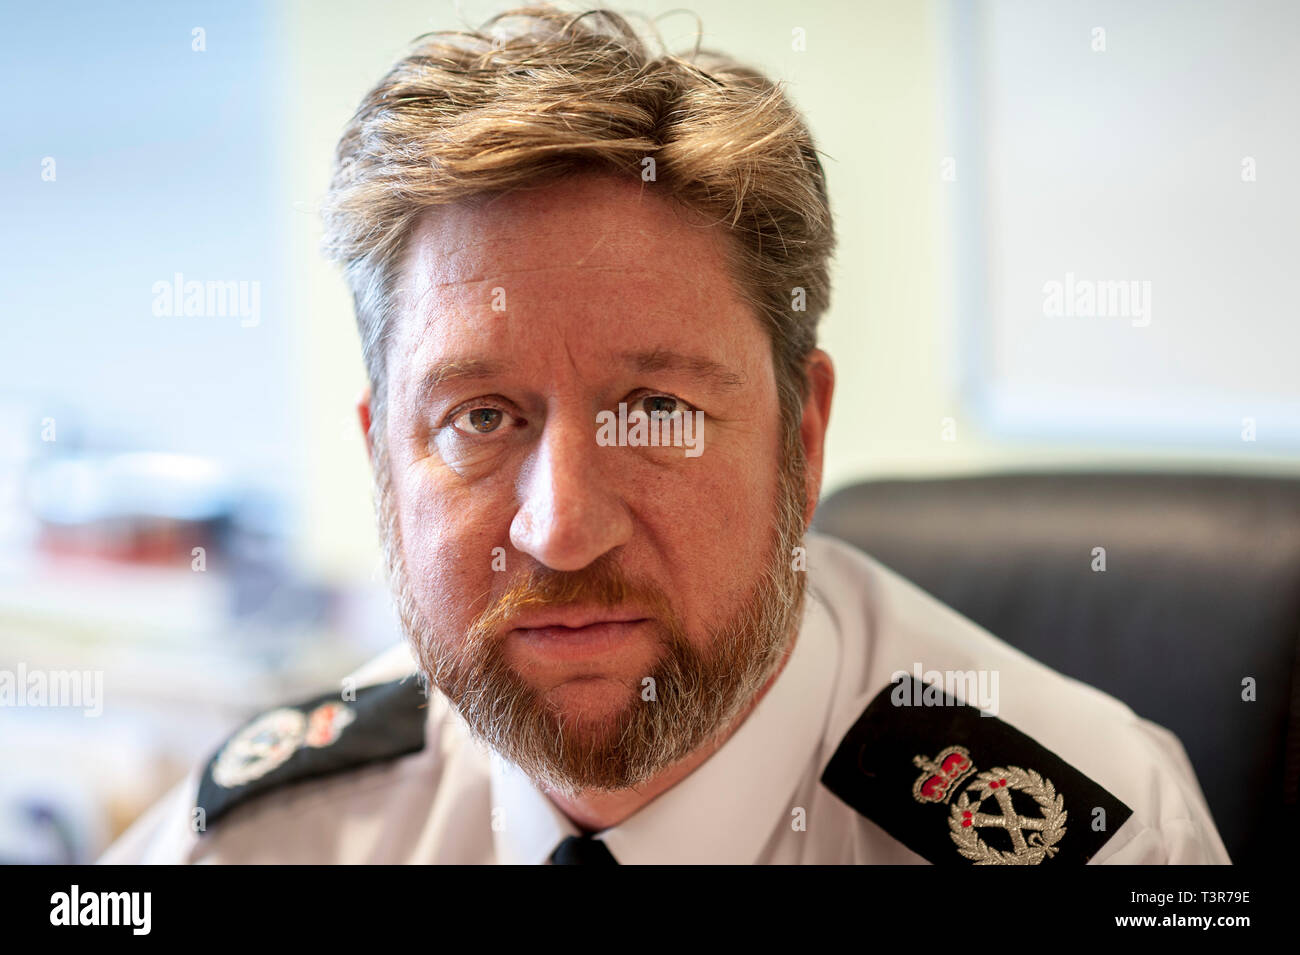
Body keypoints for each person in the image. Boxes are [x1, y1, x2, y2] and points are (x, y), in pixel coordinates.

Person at [100, 5, 1229, 865]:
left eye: (657, 413)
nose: (563, 530)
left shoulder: (1101, 832)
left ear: (801, 437)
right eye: (480, 418)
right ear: (383, 465)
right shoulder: (268, 833)